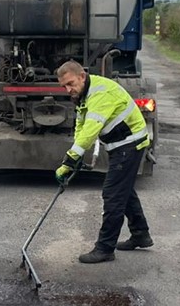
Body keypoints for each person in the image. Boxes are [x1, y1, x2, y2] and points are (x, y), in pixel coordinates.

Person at [53, 60, 153, 263]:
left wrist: (70, 160)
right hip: (120, 145)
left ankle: (105, 248)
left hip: (130, 144)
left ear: (82, 76)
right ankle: (141, 234)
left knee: (113, 193)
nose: (68, 89)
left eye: (71, 83)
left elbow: (91, 129)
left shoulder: (100, 93)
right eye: (64, 86)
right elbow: (81, 127)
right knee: (123, 189)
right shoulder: (83, 95)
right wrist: (76, 154)